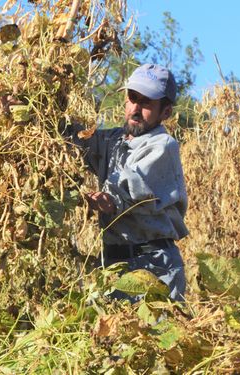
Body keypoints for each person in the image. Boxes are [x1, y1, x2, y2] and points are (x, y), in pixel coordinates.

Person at [71, 63, 189, 302]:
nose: (135, 108)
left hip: (153, 266)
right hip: (113, 264)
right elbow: (73, 140)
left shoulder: (162, 146)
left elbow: (126, 189)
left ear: (165, 112)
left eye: (146, 103)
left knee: (153, 336)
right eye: (132, 98)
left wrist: (105, 200)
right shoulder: (112, 141)